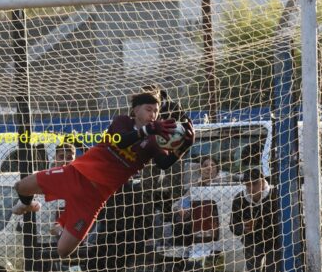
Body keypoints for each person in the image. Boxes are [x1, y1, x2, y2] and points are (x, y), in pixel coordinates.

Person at [12, 91, 195, 259]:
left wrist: (185, 146)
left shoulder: (154, 141)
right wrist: (147, 130)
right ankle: (27, 205)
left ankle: (64, 220)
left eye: (156, 111)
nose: (153, 114)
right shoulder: (122, 122)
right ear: (135, 110)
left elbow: (164, 163)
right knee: (21, 187)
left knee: (63, 250)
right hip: (76, 174)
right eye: (149, 109)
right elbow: (122, 141)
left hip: (94, 197)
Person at [229, 168, 282, 272]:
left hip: (275, 241)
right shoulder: (239, 199)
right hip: (252, 241)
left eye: (255, 183)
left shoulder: (276, 195)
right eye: (248, 185)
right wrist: (243, 227)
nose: (251, 188)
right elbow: (233, 226)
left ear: (262, 181)